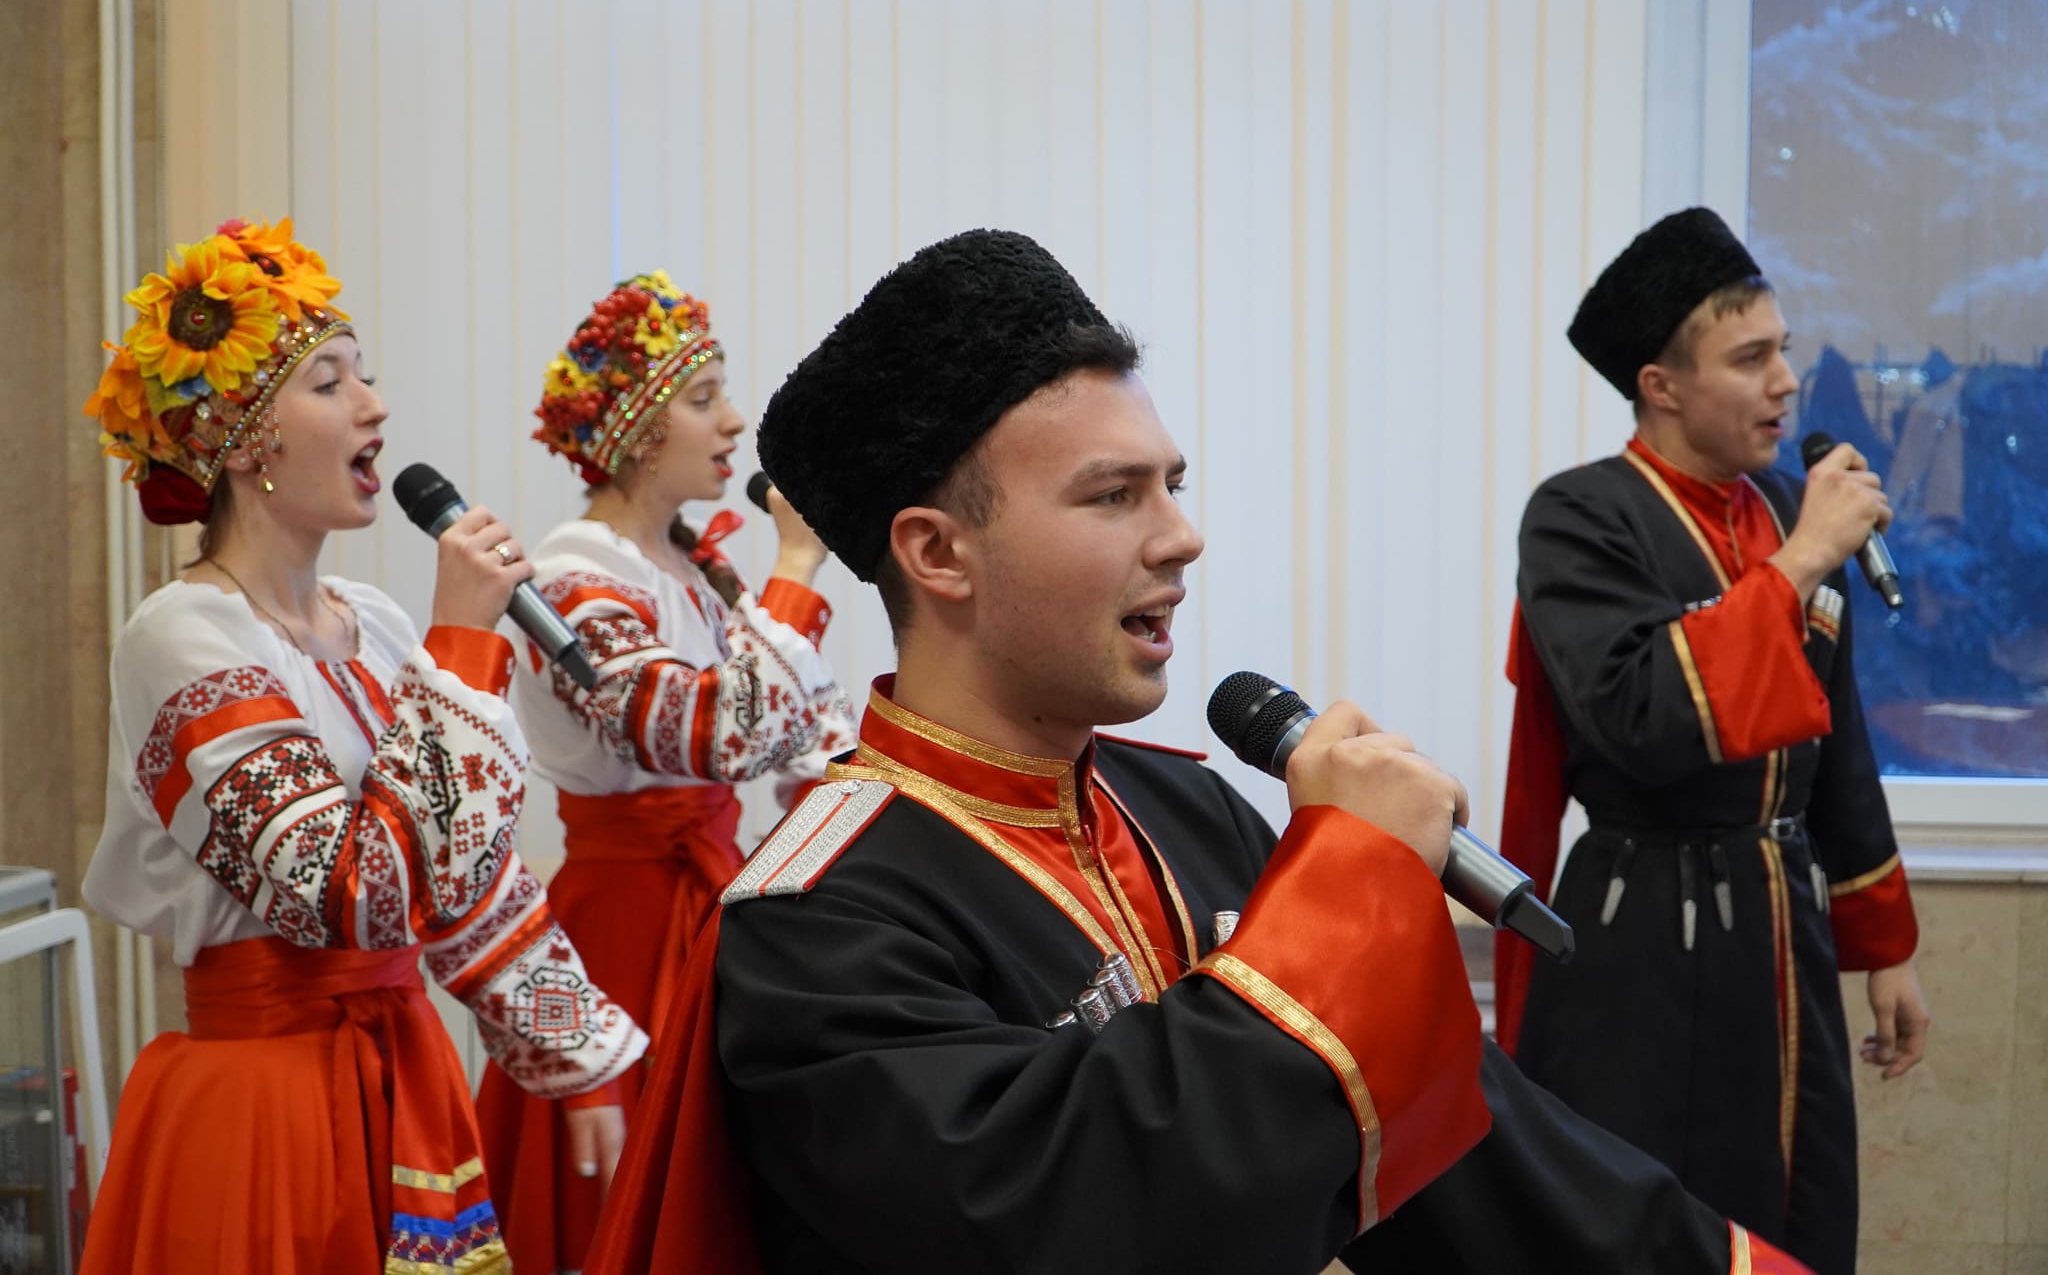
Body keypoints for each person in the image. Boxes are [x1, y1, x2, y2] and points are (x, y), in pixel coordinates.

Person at [586, 228, 1811, 1274]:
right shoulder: (815, 924)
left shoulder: (1185, 812)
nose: (1182, 536)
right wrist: (1346, 883)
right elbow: (1087, 1207)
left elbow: (1471, 1157)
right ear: (938, 553)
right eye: (1113, 495)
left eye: (1172, 484)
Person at [77, 218, 647, 1273]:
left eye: (366, 376)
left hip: (404, 1075)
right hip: (268, 1104)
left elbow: (466, 880)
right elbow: (351, 892)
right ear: (244, 439)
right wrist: (462, 648)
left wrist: (578, 1058)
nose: (375, 406)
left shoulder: (375, 625)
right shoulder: (183, 635)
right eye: (330, 382)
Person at [1495, 207, 1932, 1275]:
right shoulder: (1579, 517)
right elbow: (1639, 715)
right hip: (1637, 931)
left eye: (1782, 349)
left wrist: (1884, 948)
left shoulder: (1784, 507)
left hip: (1782, 928)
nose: (1786, 381)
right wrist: (1796, 568)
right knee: (1640, 1229)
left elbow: (1838, 747)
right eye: (1749, 359)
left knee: (1797, 1211)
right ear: (1661, 385)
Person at [474, 272, 854, 1272]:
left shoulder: (695, 568)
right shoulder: (572, 572)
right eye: (703, 398)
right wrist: (796, 570)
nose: (732, 421)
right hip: (625, 925)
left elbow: (805, 735)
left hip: (710, 900)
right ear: (638, 431)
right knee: (632, 1207)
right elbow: (708, 734)